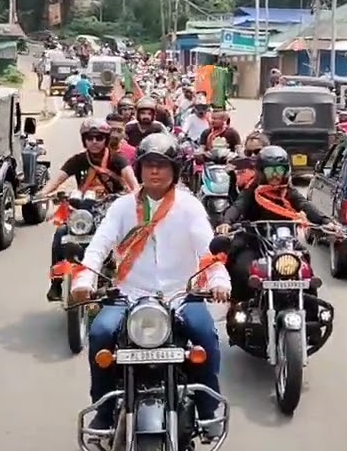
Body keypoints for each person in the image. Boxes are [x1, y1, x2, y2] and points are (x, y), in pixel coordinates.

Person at [72, 133, 231, 434]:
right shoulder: (121, 207)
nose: (155, 171)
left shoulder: (190, 206)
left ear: (175, 170)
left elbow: (208, 250)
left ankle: (208, 410)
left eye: (162, 164)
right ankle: (103, 412)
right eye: (149, 165)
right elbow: (98, 246)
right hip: (129, 295)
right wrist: (84, 277)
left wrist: (219, 280)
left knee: (206, 336)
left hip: (180, 294)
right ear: (140, 169)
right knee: (101, 333)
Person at [216, 146, 338, 306]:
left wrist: (326, 222)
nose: (275, 175)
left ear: (286, 171)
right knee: (239, 266)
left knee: (305, 264)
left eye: (279, 170)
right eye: (270, 171)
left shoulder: (288, 192)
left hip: (285, 242)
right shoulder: (252, 190)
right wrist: (226, 223)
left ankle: (310, 309)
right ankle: (238, 306)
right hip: (254, 241)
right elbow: (238, 206)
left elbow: (305, 205)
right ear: (261, 172)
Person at [39, 118, 137, 301]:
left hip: (112, 209)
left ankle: (130, 282)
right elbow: (57, 179)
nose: (94, 142)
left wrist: (137, 197)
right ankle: (56, 283)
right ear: (84, 140)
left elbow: (133, 184)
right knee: (60, 234)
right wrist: (41, 194)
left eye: (99, 138)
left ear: (106, 140)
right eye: (90, 138)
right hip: (84, 212)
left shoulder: (118, 159)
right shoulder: (78, 160)